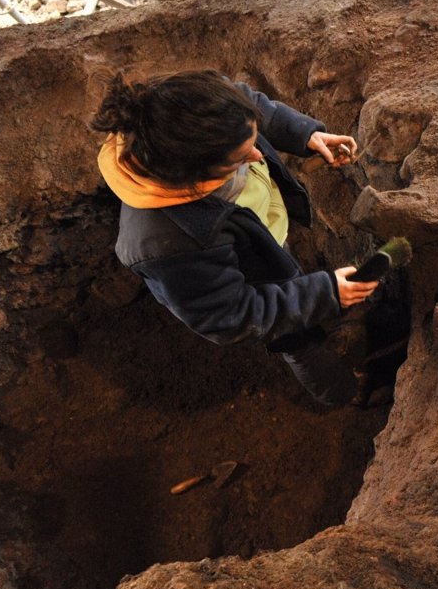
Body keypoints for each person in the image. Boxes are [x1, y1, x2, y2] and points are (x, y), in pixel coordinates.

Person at [92, 69, 380, 405]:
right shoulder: (168, 245)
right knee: (298, 340)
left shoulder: (197, 108)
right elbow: (234, 315)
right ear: (191, 177)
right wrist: (323, 292)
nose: (258, 156)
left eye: (252, 142)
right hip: (251, 279)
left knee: (291, 282)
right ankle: (342, 393)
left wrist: (303, 135)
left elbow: (250, 106)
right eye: (238, 160)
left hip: (258, 239)